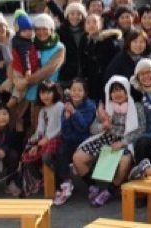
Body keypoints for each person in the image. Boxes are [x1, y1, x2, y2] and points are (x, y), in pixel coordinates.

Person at [73, 75, 144, 207]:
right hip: (106, 138)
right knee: (78, 158)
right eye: (113, 90)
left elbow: (141, 129)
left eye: (120, 89)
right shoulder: (105, 108)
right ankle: (93, 187)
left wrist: (122, 143)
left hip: (126, 140)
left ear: (126, 90)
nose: (117, 93)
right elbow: (93, 129)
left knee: (124, 161)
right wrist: (103, 125)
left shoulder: (137, 106)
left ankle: (109, 190)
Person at [52, 78, 96, 206]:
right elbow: (65, 131)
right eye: (73, 90)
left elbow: (83, 127)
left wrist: (74, 113)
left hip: (84, 141)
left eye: (79, 90)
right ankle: (65, 184)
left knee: (77, 156)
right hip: (69, 141)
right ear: (69, 91)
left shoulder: (90, 106)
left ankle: (92, 186)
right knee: (61, 150)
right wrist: (66, 118)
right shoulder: (66, 106)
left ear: (85, 93)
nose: (76, 93)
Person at [20, 80, 63, 196]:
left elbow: (57, 128)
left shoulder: (59, 106)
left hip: (57, 139)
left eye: (49, 92)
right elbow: (40, 130)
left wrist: (44, 141)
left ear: (55, 93)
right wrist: (33, 143)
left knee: (47, 157)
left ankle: (60, 182)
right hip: (44, 140)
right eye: (43, 93)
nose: (46, 96)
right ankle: (41, 179)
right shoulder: (42, 110)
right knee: (27, 154)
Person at [80, 13, 122, 103]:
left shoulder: (109, 41)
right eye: (88, 22)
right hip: (92, 84)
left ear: (101, 24)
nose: (91, 25)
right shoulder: (86, 41)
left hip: (107, 82)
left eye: (94, 22)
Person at [104, 28, 151, 94]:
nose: (138, 45)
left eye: (142, 42)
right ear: (129, 43)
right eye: (135, 41)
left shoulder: (149, 59)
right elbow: (108, 80)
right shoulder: (120, 58)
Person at [58, 2, 88, 86]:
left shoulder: (87, 31)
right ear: (67, 16)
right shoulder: (60, 32)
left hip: (85, 76)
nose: (75, 17)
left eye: (79, 14)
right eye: (72, 14)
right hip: (66, 76)